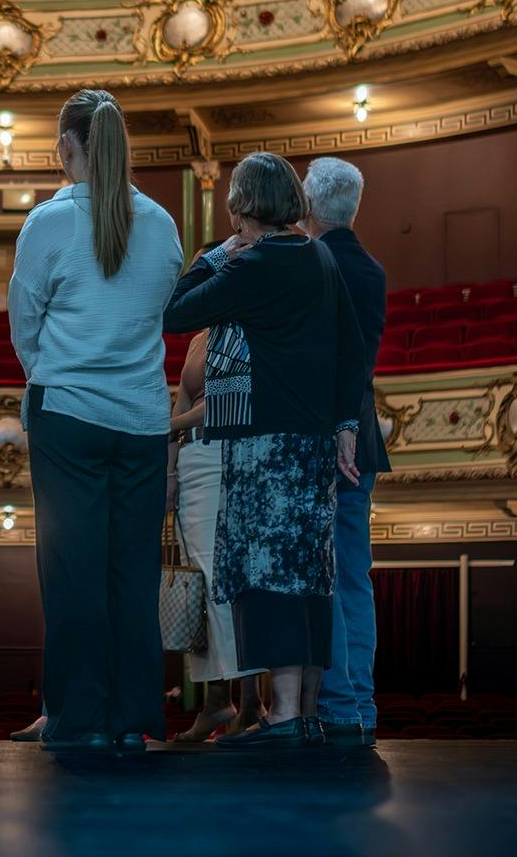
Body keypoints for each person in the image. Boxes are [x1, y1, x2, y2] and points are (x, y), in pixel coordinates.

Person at [162, 152, 367, 749]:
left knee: (266, 577)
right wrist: (345, 424)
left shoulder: (256, 264)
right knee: (307, 576)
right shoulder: (319, 256)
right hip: (311, 447)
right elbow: (352, 350)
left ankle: (278, 717)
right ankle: (301, 714)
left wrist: (213, 257)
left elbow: (174, 313)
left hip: (263, 447)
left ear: (242, 207)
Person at [8, 88, 183, 752]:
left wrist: (50, 372)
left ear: (65, 149)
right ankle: (133, 718)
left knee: (72, 572)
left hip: (69, 415)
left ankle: (79, 718)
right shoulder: (162, 224)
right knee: (132, 574)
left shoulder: (49, 223)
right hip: (140, 418)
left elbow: (25, 324)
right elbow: (158, 313)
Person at [301, 157, 388, 747]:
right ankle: (359, 704)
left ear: (308, 206)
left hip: (325, 439)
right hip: (363, 434)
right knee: (354, 576)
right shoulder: (371, 269)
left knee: (324, 577)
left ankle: (334, 705)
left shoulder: (312, 264)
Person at [167, 308, 265, 743]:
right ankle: (215, 700)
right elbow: (184, 398)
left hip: (226, 454)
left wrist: (170, 426)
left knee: (223, 580)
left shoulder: (245, 326)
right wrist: (169, 474)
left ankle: (248, 704)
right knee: (198, 587)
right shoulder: (199, 338)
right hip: (192, 459)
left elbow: (227, 401)